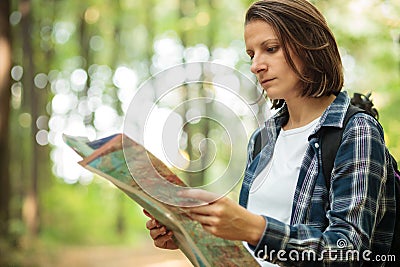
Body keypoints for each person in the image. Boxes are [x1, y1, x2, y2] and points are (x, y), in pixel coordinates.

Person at [145, 0, 396, 266]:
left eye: (271, 49)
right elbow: (252, 247)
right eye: (252, 55)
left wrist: (255, 228)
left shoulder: (355, 131)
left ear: (309, 45)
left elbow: (348, 252)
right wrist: (190, 234)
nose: (256, 66)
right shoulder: (263, 139)